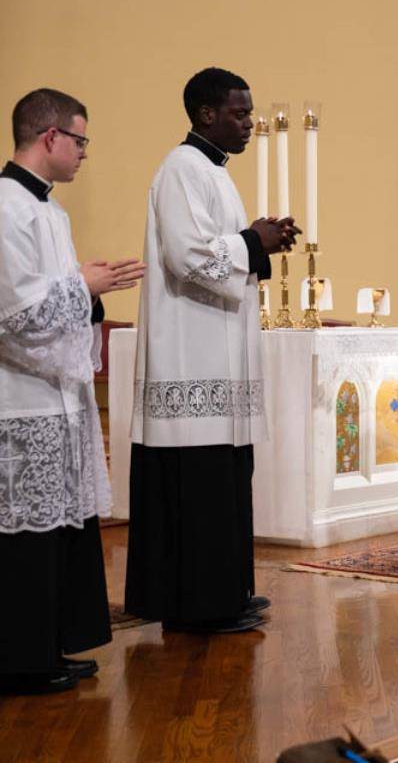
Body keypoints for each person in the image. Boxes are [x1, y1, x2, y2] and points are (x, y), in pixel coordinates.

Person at [125, 68, 299, 633]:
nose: (249, 123)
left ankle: (226, 591)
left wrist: (258, 239)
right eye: (239, 113)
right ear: (206, 114)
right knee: (198, 485)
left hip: (215, 353)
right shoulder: (182, 169)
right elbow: (187, 256)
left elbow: (215, 248)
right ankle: (198, 605)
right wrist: (253, 241)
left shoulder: (213, 172)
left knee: (224, 479)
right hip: (189, 353)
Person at [0, 88, 145, 693]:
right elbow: (14, 313)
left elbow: (51, 296)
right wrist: (83, 285)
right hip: (20, 398)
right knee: (23, 539)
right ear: (51, 137)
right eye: (81, 140)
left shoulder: (51, 212)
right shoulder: (6, 206)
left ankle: (49, 647)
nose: (86, 152)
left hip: (56, 397)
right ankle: (18, 661)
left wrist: (91, 287)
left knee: (57, 531)